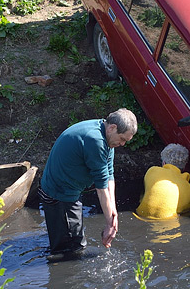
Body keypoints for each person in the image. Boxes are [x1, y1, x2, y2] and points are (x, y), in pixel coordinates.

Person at [38, 109, 137, 257]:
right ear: (112, 128)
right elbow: (101, 187)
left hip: (69, 188)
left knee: (72, 238)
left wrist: (113, 213)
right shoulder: (95, 141)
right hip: (58, 194)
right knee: (72, 247)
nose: (122, 144)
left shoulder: (107, 138)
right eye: (122, 139)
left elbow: (109, 175)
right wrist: (109, 224)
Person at [136, 143, 190, 220]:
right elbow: (188, 210)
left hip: (140, 216)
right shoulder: (189, 190)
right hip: (168, 223)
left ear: (164, 163)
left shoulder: (152, 171)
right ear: (184, 167)